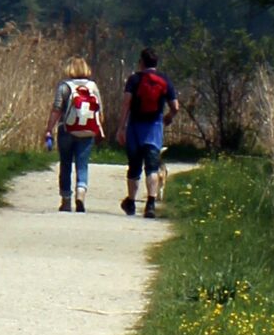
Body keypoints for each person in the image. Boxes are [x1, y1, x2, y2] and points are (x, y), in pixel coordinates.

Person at [116, 47, 179, 218]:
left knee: (134, 167)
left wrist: (121, 127)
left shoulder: (134, 79)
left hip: (135, 127)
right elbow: (176, 106)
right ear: (156, 63)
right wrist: (169, 117)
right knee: (152, 167)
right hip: (154, 127)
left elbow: (126, 104)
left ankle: (131, 202)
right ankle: (150, 203)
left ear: (141, 62)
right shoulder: (165, 80)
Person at [44, 56, 106, 212]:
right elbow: (100, 112)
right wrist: (98, 129)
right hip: (87, 131)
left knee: (65, 165)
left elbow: (57, 109)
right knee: (82, 164)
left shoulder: (64, 86)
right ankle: (80, 195)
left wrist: (49, 128)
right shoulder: (93, 87)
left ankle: (66, 200)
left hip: (67, 129)